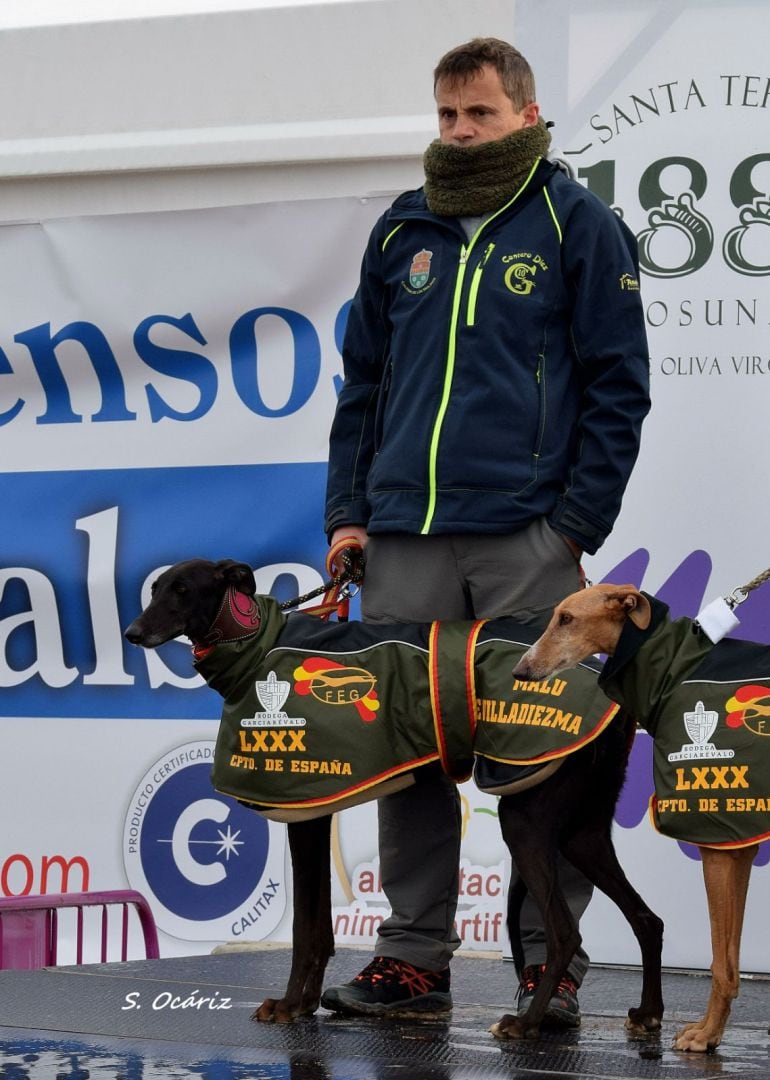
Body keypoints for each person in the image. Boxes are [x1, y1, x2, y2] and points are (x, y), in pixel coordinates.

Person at [320, 37, 650, 1026]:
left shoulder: (575, 223)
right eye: (445, 116)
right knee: (406, 754)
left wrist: (573, 526)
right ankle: (410, 961)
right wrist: (346, 514)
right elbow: (363, 389)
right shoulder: (399, 229)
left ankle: (548, 966)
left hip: (523, 543)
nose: (459, 133)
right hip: (401, 538)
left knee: (541, 761)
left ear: (525, 113)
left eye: (478, 115)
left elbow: (616, 388)